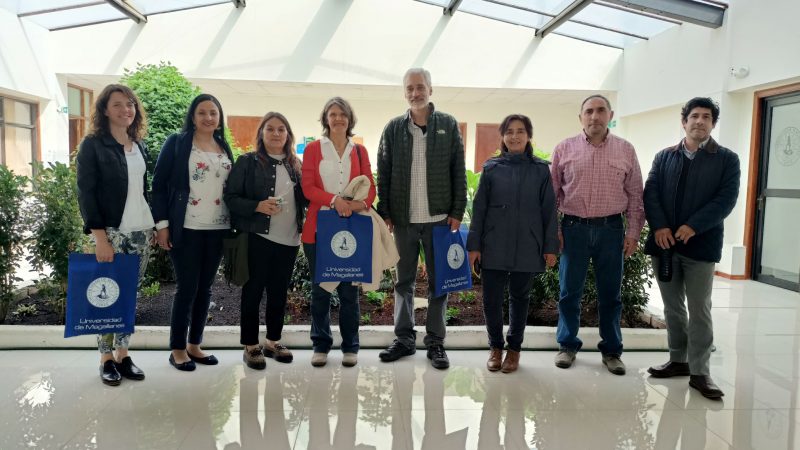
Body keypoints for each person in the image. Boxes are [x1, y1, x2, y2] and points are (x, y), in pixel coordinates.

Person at [644, 97, 740, 399]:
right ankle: (677, 360)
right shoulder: (664, 157)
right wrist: (659, 227)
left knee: (700, 310)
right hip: (665, 245)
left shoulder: (727, 159)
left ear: (713, 124)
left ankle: (700, 372)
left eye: (707, 117)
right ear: (684, 122)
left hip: (701, 246)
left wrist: (693, 226)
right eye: (694, 116)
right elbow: (651, 193)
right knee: (672, 307)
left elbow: (725, 200)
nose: (700, 121)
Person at [377, 68, 467, 370]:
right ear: (404, 92)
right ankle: (403, 339)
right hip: (403, 220)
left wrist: (457, 211)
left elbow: (458, 170)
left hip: (440, 219)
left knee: (439, 283)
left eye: (420, 87)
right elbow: (384, 171)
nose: (415, 93)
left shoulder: (448, 125)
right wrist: (386, 211)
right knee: (403, 281)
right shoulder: (392, 129)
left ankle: (435, 342)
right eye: (409, 88)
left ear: (430, 89)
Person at [550, 94, 645, 375]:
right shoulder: (564, 149)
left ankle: (612, 350)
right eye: (589, 111)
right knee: (569, 292)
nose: (595, 116)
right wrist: (555, 231)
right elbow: (552, 195)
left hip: (611, 231)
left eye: (600, 110)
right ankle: (567, 346)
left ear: (610, 114)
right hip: (573, 230)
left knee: (611, 295)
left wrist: (633, 233)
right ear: (580, 117)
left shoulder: (625, 150)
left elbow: (635, 195)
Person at [467, 114, 559, 373]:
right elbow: (480, 209)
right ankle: (495, 347)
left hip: (528, 244)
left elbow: (548, 210)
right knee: (491, 299)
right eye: (509, 131)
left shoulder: (541, 170)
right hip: (493, 242)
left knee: (520, 298)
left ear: (528, 136)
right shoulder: (491, 168)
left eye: (520, 131)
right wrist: (474, 246)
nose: (514, 136)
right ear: (503, 137)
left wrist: (550, 246)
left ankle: (514, 350)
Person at [76, 84, 155, 386]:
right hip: (110, 231)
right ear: (105, 110)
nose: (126, 110)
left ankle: (123, 353)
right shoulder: (93, 145)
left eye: (130, 104)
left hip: (140, 231)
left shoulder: (138, 144)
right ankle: (105, 357)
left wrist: (154, 227)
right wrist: (100, 237)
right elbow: (86, 193)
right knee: (105, 294)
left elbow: (142, 189)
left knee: (129, 297)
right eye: (118, 104)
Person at [151, 94, 234, 371]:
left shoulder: (222, 145)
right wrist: (162, 225)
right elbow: (159, 185)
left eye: (213, 112)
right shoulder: (177, 143)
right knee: (187, 288)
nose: (208, 118)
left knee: (205, 288)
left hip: (218, 227)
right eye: (202, 112)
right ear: (193, 116)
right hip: (186, 226)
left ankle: (194, 344)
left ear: (219, 117)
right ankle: (177, 348)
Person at [224, 112, 305, 370]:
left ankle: (273, 341)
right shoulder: (247, 162)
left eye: (282, 129)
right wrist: (257, 206)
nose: (276, 134)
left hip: (289, 239)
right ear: (261, 133)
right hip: (258, 238)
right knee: (253, 291)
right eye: (270, 129)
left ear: (288, 135)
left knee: (279, 293)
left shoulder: (296, 164)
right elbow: (231, 197)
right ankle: (250, 345)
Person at [301, 97, 375, 368]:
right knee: (321, 289)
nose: (338, 119)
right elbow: (308, 187)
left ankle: (350, 346)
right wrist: (335, 200)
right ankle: (320, 344)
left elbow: (371, 186)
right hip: (319, 228)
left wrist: (360, 204)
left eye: (342, 114)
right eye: (333, 114)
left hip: (351, 227)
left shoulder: (360, 151)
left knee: (348, 292)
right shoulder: (312, 149)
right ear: (326, 118)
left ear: (349, 119)